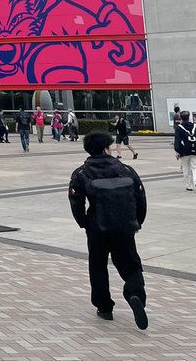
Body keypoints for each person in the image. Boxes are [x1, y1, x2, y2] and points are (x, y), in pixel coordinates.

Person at [68, 131, 148, 330]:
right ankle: (135, 293)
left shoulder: (81, 173)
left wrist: (84, 223)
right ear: (106, 149)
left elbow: (76, 202)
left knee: (98, 266)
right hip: (125, 225)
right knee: (131, 265)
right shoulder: (126, 169)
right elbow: (141, 198)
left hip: (98, 226)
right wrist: (137, 221)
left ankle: (104, 307)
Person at [174, 110, 196, 193]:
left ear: (181, 118)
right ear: (189, 117)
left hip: (184, 151)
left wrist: (178, 151)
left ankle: (189, 185)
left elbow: (177, 141)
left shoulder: (179, 128)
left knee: (186, 168)